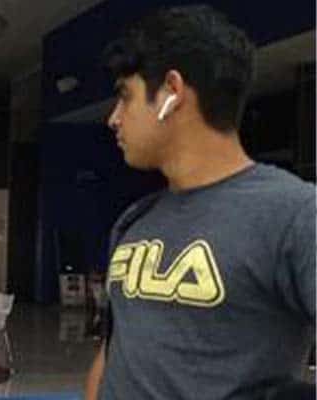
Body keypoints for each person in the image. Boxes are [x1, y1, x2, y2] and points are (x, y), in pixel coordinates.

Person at [85, 5, 315, 400]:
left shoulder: (296, 214)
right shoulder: (134, 221)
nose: (114, 118)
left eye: (125, 97)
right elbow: (112, 353)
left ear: (171, 93)